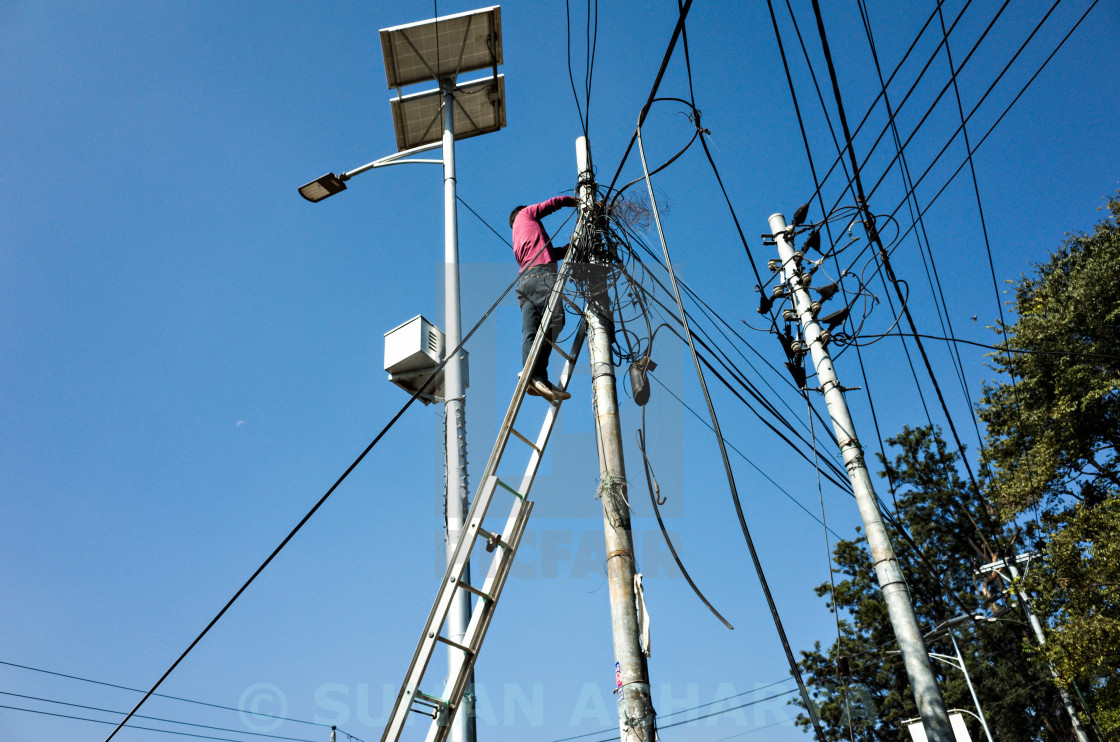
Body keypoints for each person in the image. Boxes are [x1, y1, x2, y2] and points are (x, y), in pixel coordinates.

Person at [510, 195, 580, 401]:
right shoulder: (525, 214)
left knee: (530, 332)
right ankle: (535, 374)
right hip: (540, 276)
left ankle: (534, 376)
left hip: (525, 283)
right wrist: (573, 201)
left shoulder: (520, 237)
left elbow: (549, 252)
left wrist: (570, 248)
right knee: (556, 318)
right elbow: (548, 205)